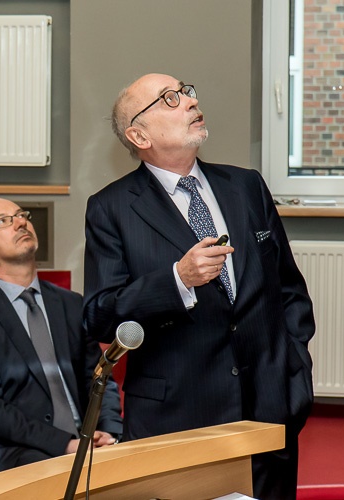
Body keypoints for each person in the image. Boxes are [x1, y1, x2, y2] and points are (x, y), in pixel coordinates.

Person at [83, 73, 315, 499]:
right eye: (168, 99)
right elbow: (100, 316)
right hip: (178, 418)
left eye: (185, 91)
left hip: (269, 409)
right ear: (139, 135)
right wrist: (177, 280)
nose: (189, 101)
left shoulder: (246, 185)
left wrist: (293, 371)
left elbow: (289, 291)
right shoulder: (111, 208)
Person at [0, 197, 122, 479]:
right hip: (11, 450)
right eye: (3, 221)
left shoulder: (71, 304)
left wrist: (108, 432)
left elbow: (99, 378)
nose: (20, 222)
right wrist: (65, 444)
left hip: (83, 441)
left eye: (22, 215)